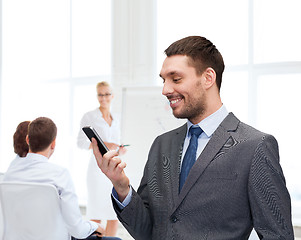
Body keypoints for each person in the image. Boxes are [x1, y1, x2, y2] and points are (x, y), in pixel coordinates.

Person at [91, 36, 295, 239]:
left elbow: (277, 235)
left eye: (176, 79)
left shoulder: (254, 147)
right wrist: (121, 186)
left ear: (208, 78)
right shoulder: (162, 144)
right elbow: (147, 231)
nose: (165, 90)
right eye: (164, 80)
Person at [3, 117, 121, 240]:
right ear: (53, 143)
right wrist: (95, 226)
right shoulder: (59, 175)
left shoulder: (9, 175)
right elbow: (77, 229)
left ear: (28, 140)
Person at [77, 81, 125, 237]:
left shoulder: (118, 117)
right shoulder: (90, 116)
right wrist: (102, 144)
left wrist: (120, 148)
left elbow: (120, 141)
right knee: (96, 211)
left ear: (112, 96)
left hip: (115, 167)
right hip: (97, 170)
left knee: (114, 213)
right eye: (100, 94)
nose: (103, 98)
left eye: (106, 94)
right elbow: (81, 142)